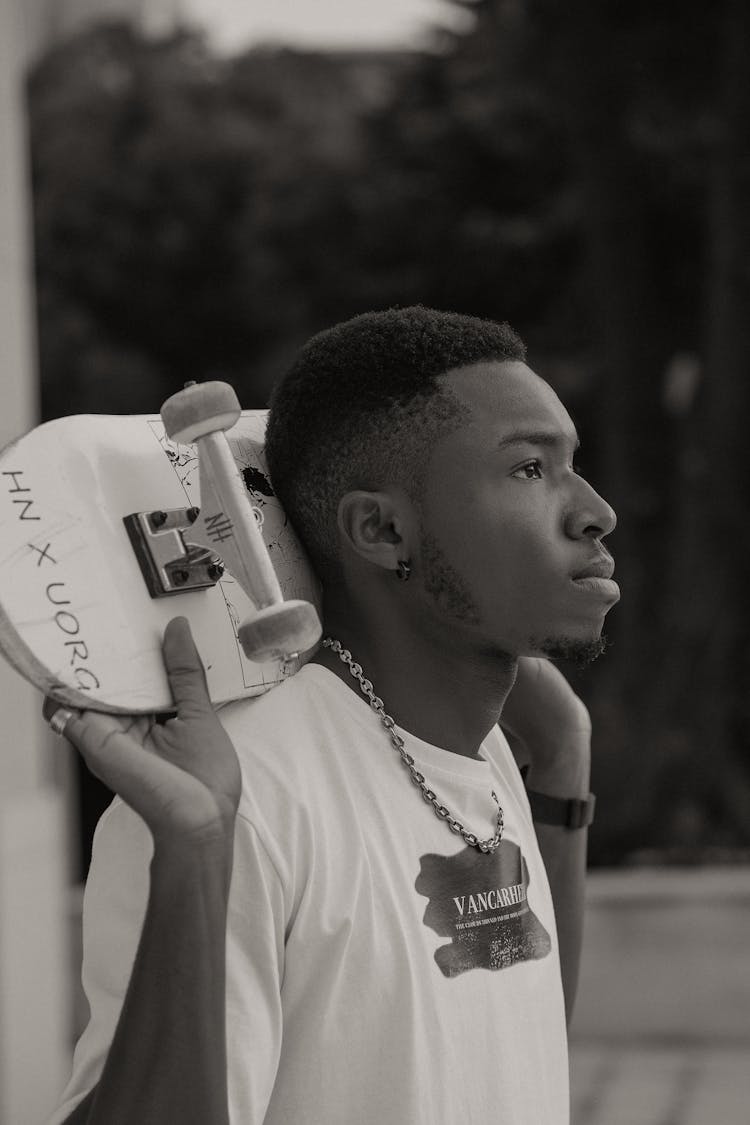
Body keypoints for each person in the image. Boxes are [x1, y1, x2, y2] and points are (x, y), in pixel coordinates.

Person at [48, 306, 618, 1125]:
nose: (595, 510)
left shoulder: (481, 749)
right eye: (531, 469)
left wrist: (562, 760)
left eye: (572, 463)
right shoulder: (242, 800)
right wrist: (193, 850)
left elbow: (519, 1066)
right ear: (381, 529)